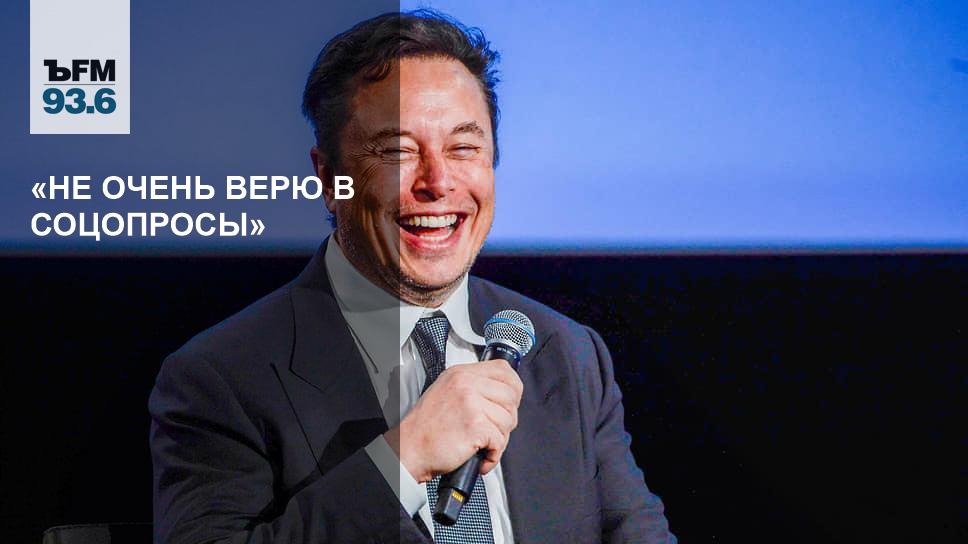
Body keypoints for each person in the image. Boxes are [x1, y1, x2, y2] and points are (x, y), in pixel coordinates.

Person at [149, 9, 675, 543]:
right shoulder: (220, 377)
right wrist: (403, 458)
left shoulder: (567, 353)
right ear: (329, 179)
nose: (438, 182)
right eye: (398, 151)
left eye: (463, 147)